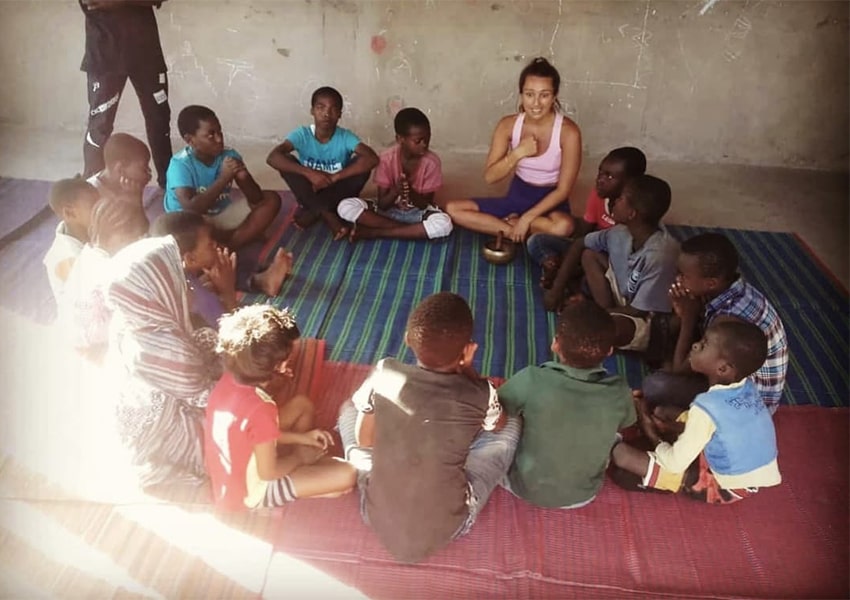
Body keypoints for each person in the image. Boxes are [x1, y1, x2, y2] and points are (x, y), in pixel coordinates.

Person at [337, 292, 520, 564]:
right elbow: (499, 425)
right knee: (512, 425)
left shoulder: (385, 372)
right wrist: (468, 370)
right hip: (450, 525)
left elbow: (365, 440)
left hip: (375, 513)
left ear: (408, 339)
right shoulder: (481, 392)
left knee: (349, 410)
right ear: (467, 350)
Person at [610, 320, 781, 504]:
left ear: (722, 368)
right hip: (744, 472)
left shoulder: (707, 407)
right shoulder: (746, 387)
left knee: (622, 456)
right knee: (663, 412)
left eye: (704, 344)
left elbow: (674, 463)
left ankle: (679, 482)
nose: (695, 345)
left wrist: (648, 428)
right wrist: (670, 427)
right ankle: (671, 453)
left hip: (724, 485)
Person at [206, 305, 355, 511]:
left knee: (302, 406)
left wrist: (302, 438)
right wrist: (299, 457)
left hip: (236, 471)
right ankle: (302, 478)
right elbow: (268, 473)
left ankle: (303, 469)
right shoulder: (261, 409)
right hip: (250, 493)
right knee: (347, 474)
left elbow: (254, 436)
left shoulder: (229, 378)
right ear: (279, 366)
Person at [105, 234, 221, 487]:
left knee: (216, 346)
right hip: (163, 437)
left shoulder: (133, 321)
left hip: (147, 414)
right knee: (249, 422)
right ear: (158, 292)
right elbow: (211, 399)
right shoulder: (167, 349)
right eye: (178, 281)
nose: (188, 286)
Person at [497, 298, 634, 508]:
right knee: (610, 430)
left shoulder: (532, 379)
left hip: (522, 487)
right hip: (582, 496)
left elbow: (496, 407)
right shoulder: (620, 391)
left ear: (555, 343)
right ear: (609, 351)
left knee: (505, 418)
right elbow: (626, 424)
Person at [642, 233, 788, 414]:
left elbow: (680, 369)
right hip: (723, 358)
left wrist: (688, 317)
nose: (677, 280)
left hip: (744, 403)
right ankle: (668, 365)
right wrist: (684, 314)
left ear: (711, 283)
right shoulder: (725, 288)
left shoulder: (727, 319)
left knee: (655, 386)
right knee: (663, 323)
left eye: (683, 275)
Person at [445, 57, 581, 242]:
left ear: (554, 96)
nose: (536, 103)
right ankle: (513, 231)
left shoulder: (568, 132)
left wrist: (527, 217)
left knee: (564, 226)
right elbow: (490, 177)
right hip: (516, 198)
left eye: (544, 95)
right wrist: (518, 153)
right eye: (529, 94)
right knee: (454, 209)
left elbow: (563, 191)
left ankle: (510, 226)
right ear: (521, 94)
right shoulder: (508, 125)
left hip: (550, 205)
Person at [544, 174, 680, 355]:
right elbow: (579, 244)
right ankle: (600, 314)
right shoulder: (621, 232)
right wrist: (556, 290)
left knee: (608, 327)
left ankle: (600, 320)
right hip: (625, 294)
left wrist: (591, 313)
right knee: (589, 255)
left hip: (647, 316)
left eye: (621, 198)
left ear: (632, 214)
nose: (614, 201)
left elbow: (638, 311)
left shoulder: (660, 255)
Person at [164, 105, 283, 252]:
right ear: (190, 140)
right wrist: (223, 179)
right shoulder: (180, 164)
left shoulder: (229, 155)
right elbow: (191, 209)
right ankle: (232, 240)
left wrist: (244, 177)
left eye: (220, 132)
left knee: (271, 199)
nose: (219, 139)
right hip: (190, 224)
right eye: (210, 135)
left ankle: (229, 247)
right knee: (193, 235)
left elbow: (257, 200)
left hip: (220, 216)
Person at [266, 86, 380, 240]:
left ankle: (315, 211)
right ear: (312, 111)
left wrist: (335, 178)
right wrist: (310, 174)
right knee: (287, 161)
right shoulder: (302, 134)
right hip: (310, 189)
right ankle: (328, 214)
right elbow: (272, 157)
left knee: (361, 164)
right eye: (321, 107)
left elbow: (372, 159)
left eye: (333, 109)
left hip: (339, 191)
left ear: (339, 114)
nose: (327, 114)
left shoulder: (345, 136)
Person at [79, 0, 172, 188]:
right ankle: (91, 187)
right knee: (100, 125)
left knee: (159, 121)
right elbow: (92, 1)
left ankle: (170, 184)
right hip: (104, 55)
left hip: (146, 53)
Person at [528, 147, 647, 288]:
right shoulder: (598, 195)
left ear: (630, 183)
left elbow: (626, 257)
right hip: (589, 245)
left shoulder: (633, 212)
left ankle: (569, 277)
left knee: (589, 278)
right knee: (536, 241)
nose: (600, 180)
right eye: (600, 172)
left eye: (609, 177)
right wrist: (570, 257)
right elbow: (582, 234)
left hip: (611, 261)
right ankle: (552, 262)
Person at [150, 212, 293, 323]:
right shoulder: (198, 299)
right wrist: (227, 290)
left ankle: (262, 279)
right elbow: (231, 337)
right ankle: (263, 281)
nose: (215, 244)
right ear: (190, 259)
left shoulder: (176, 271)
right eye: (209, 244)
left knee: (218, 271)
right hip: (206, 345)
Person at [337, 107, 452, 241]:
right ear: (400, 139)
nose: (424, 144)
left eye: (427, 139)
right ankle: (410, 231)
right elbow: (383, 205)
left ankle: (375, 233)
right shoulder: (386, 158)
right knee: (345, 206)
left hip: (416, 214)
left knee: (444, 224)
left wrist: (410, 191)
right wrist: (396, 190)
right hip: (387, 213)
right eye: (418, 141)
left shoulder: (432, 162)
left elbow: (424, 205)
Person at [63, 196, 150, 361]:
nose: (140, 243)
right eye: (137, 238)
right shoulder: (116, 269)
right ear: (119, 238)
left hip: (82, 343)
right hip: (100, 350)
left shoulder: (88, 254)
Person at [43, 177, 100, 302]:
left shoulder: (84, 229)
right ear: (70, 213)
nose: (102, 208)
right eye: (95, 206)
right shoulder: (67, 260)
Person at [86, 133, 153, 204]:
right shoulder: (89, 195)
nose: (148, 174)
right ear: (120, 169)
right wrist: (133, 203)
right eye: (143, 168)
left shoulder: (132, 191)